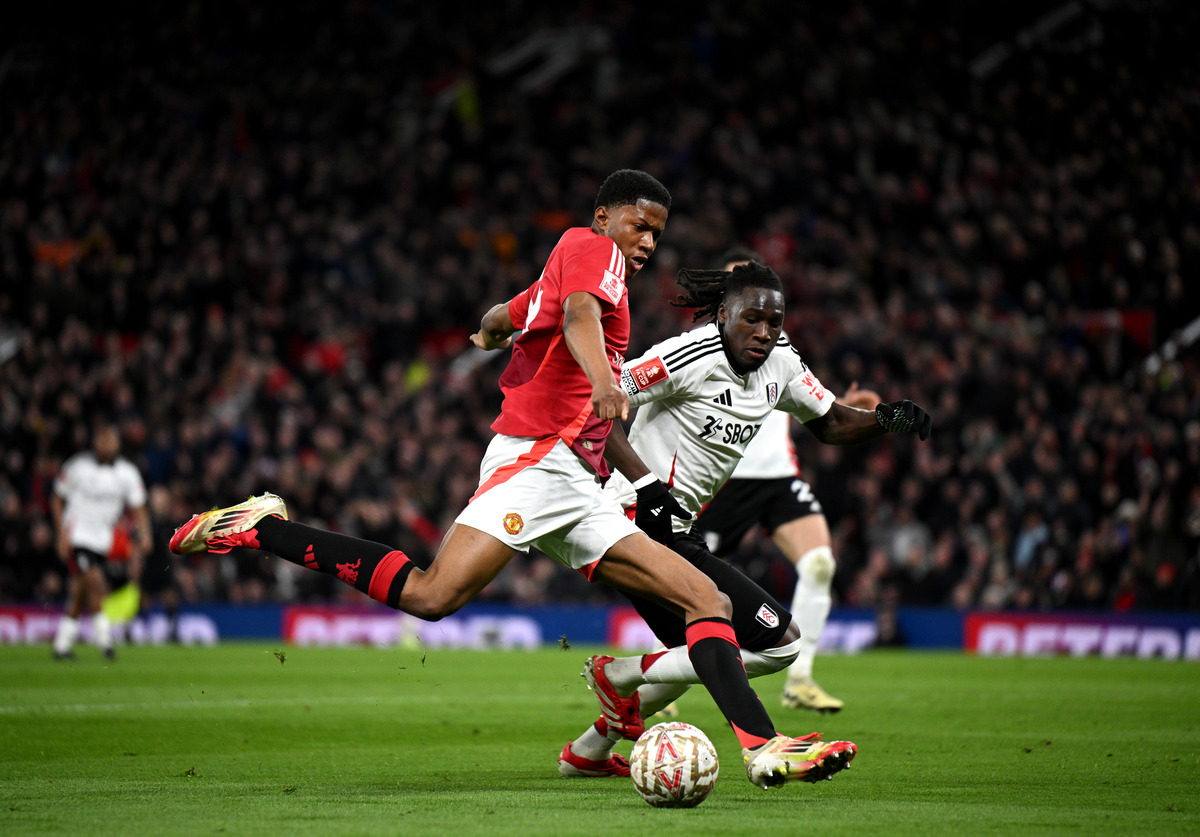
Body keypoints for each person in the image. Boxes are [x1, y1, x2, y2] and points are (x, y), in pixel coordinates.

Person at [169, 169, 858, 790]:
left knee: (704, 596)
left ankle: (764, 747)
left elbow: (513, 312)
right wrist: (598, 382)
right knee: (433, 595)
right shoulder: (593, 253)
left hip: (578, 481)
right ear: (604, 217)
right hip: (535, 459)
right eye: (638, 224)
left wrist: (494, 329)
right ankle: (263, 526)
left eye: (657, 232)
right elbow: (583, 314)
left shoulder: (572, 270)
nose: (646, 241)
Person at [557, 260, 932, 778]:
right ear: (723, 314)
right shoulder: (687, 355)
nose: (763, 332)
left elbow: (831, 423)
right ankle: (761, 746)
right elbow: (599, 401)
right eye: (751, 319)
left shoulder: (782, 363)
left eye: (774, 322)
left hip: (677, 526)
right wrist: (644, 484)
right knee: (759, 636)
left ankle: (592, 743)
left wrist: (885, 419)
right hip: (630, 519)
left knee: (717, 644)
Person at [693, 246, 879, 713]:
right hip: (723, 484)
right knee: (691, 592)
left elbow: (803, 408)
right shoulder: (700, 348)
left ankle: (800, 679)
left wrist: (845, 406)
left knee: (820, 565)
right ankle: (660, 677)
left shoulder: (777, 348)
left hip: (777, 477)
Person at [51, 423, 152, 660]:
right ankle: (106, 642)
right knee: (95, 582)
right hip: (77, 537)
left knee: (80, 591)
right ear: (95, 442)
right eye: (102, 439)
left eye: (111, 440)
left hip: (102, 541)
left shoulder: (127, 473)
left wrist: (145, 534)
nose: (106, 445)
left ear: (117, 443)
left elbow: (138, 510)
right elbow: (56, 499)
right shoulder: (77, 467)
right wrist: (60, 533)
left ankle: (61, 646)